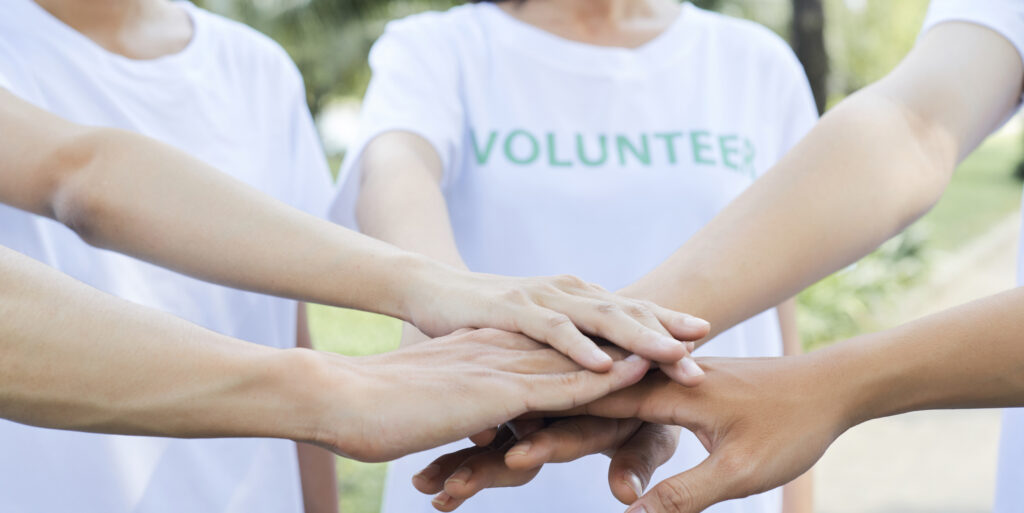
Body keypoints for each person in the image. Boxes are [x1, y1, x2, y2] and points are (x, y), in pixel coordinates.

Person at [0, 0, 707, 511]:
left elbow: (282, 316)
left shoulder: (253, 66)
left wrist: (426, 291)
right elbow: (80, 177)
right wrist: (342, 388)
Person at [418, 1, 1024, 512]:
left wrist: (829, 386)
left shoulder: (749, 58)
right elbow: (915, 124)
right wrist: (609, 338)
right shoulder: (444, 46)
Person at [330, 0, 819, 511]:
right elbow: (394, 167)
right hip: (481, 477)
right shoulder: (439, 47)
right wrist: (432, 291)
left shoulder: (754, 61)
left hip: (707, 474)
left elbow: (782, 302)